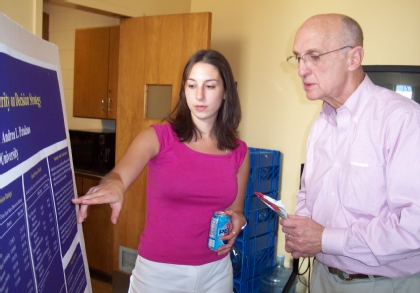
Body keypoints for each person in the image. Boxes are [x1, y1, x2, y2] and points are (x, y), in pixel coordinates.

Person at [72, 49, 250, 293]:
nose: (199, 95)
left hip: (217, 271)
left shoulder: (239, 151)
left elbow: (237, 210)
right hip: (160, 273)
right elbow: (119, 175)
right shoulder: (158, 137)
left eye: (209, 86)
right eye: (191, 85)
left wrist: (239, 220)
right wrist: (114, 185)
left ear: (226, 92)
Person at [280, 13, 420, 293]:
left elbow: (414, 226)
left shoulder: (403, 120)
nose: (301, 70)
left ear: (353, 58)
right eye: (298, 57)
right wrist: (302, 230)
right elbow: (308, 193)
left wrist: (324, 239)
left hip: (382, 285)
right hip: (321, 278)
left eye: (314, 56)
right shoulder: (321, 124)